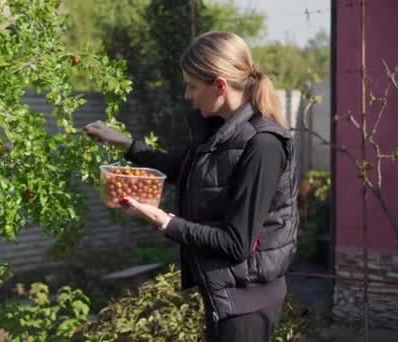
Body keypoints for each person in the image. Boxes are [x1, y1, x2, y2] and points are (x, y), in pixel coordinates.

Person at [83, 31, 299, 342]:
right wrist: (124, 143)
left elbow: (235, 243)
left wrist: (163, 221)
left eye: (193, 86)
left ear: (220, 86)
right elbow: (179, 168)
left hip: (247, 303)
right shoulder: (221, 133)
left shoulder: (263, 145)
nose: (187, 95)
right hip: (226, 294)